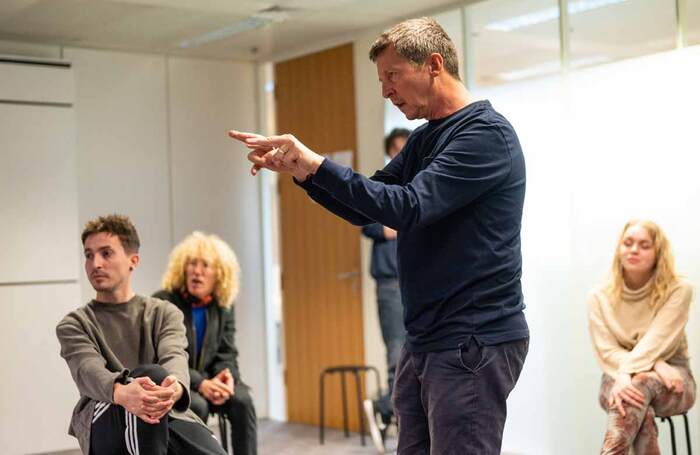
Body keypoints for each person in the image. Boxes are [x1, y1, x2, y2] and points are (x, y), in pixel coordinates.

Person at [229, 16, 529, 454]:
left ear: (433, 64)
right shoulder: (426, 139)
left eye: (392, 76)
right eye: (381, 79)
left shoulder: (485, 136)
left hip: (473, 340)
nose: (385, 90)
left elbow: (407, 207)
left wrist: (316, 164)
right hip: (428, 338)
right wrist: (301, 171)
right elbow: (365, 205)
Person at [56, 214, 227, 455]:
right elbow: (88, 371)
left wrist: (175, 387)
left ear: (133, 260)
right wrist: (122, 392)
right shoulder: (74, 324)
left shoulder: (164, 312)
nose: (95, 264)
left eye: (106, 253)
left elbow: (174, 356)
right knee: (153, 375)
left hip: (163, 408)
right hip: (104, 410)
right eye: (88, 255)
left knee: (158, 385)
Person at [588, 220, 695, 454]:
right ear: (619, 249)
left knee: (637, 389)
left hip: (673, 379)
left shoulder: (678, 289)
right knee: (636, 396)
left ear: (658, 252)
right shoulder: (599, 297)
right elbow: (606, 351)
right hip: (616, 374)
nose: (634, 250)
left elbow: (657, 340)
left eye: (644, 245)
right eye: (628, 243)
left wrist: (633, 371)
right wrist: (654, 364)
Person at [154, 231, 258, 455]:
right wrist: (201, 383)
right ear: (183, 268)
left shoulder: (223, 306)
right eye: (192, 263)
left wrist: (226, 378)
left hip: (211, 380)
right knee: (196, 405)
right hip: (177, 381)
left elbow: (227, 352)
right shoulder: (163, 302)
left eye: (205, 265)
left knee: (243, 400)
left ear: (219, 275)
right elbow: (164, 357)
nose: (197, 271)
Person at [361, 128, 410, 452]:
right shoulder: (382, 184)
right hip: (390, 285)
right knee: (397, 355)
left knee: (417, 357)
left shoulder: (421, 183)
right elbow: (365, 223)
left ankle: (384, 407)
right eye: (397, 149)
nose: (401, 154)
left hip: (417, 283)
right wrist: (391, 228)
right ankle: (386, 411)